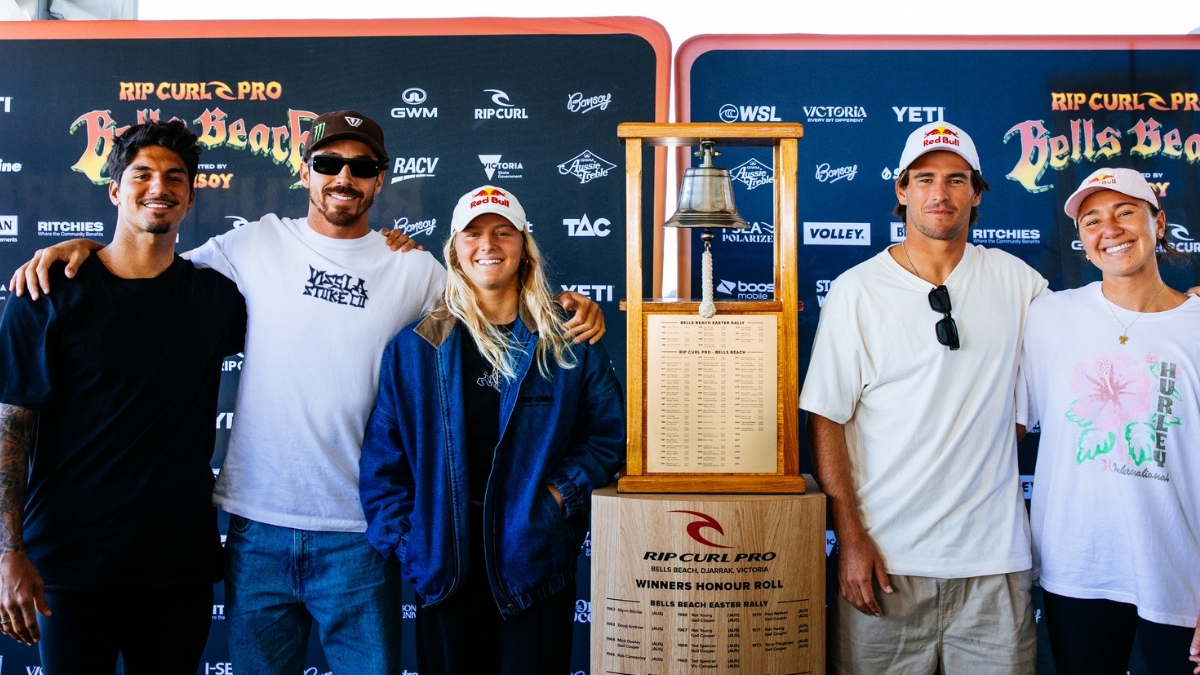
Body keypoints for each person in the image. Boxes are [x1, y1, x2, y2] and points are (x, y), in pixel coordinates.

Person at [7, 111, 605, 673]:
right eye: (328, 163)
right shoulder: (250, 245)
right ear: (305, 172)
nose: (344, 176)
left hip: (358, 535)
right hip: (255, 531)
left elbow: (490, 290)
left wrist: (565, 308)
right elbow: (144, 261)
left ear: (379, 180)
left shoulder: (416, 269)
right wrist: (78, 250)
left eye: (362, 167)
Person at [0, 121, 246, 673]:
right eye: (142, 175)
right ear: (115, 191)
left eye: (175, 177)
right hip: (70, 562)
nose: (159, 187)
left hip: (176, 563)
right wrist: (6, 552)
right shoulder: (45, 291)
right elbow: (10, 429)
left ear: (190, 197)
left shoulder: (217, 298)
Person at [801, 121, 1045, 674]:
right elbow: (826, 418)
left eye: (957, 179)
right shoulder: (857, 290)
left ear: (976, 193)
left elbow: (1094, 328)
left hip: (993, 566)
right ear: (902, 189)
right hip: (886, 563)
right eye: (925, 178)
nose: (941, 193)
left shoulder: (1019, 282)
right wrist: (850, 537)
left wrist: (1180, 305)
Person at [359, 185, 624, 675]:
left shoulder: (568, 338)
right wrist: (412, 545)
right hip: (444, 561)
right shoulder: (414, 349)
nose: (488, 244)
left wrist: (555, 499)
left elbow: (607, 437)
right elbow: (383, 464)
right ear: (454, 252)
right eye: (473, 233)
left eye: (503, 232)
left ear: (524, 246)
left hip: (532, 557)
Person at [1017, 168, 1200, 675]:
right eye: (1092, 220)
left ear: (1158, 223)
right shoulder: (1046, 316)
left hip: (1179, 572)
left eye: (1125, 212)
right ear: (1082, 239)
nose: (1110, 229)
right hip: (1077, 569)